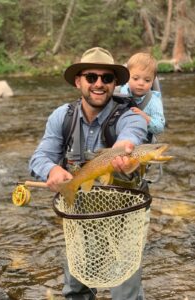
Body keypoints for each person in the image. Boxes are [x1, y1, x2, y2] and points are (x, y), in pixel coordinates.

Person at [29, 47, 148, 300]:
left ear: (115, 83)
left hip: (127, 215)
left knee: (126, 293)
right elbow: (39, 158)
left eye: (106, 78)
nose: (98, 84)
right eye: (91, 77)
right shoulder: (62, 116)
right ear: (78, 81)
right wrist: (52, 170)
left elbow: (132, 137)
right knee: (76, 287)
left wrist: (123, 150)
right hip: (81, 211)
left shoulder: (132, 116)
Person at [114, 52, 165, 141]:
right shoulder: (118, 92)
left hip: (143, 144)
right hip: (119, 140)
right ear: (127, 77)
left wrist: (146, 118)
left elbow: (160, 128)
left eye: (147, 80)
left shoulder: (154, 101)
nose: (141, 83)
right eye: (135, 78)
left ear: (153, 81)